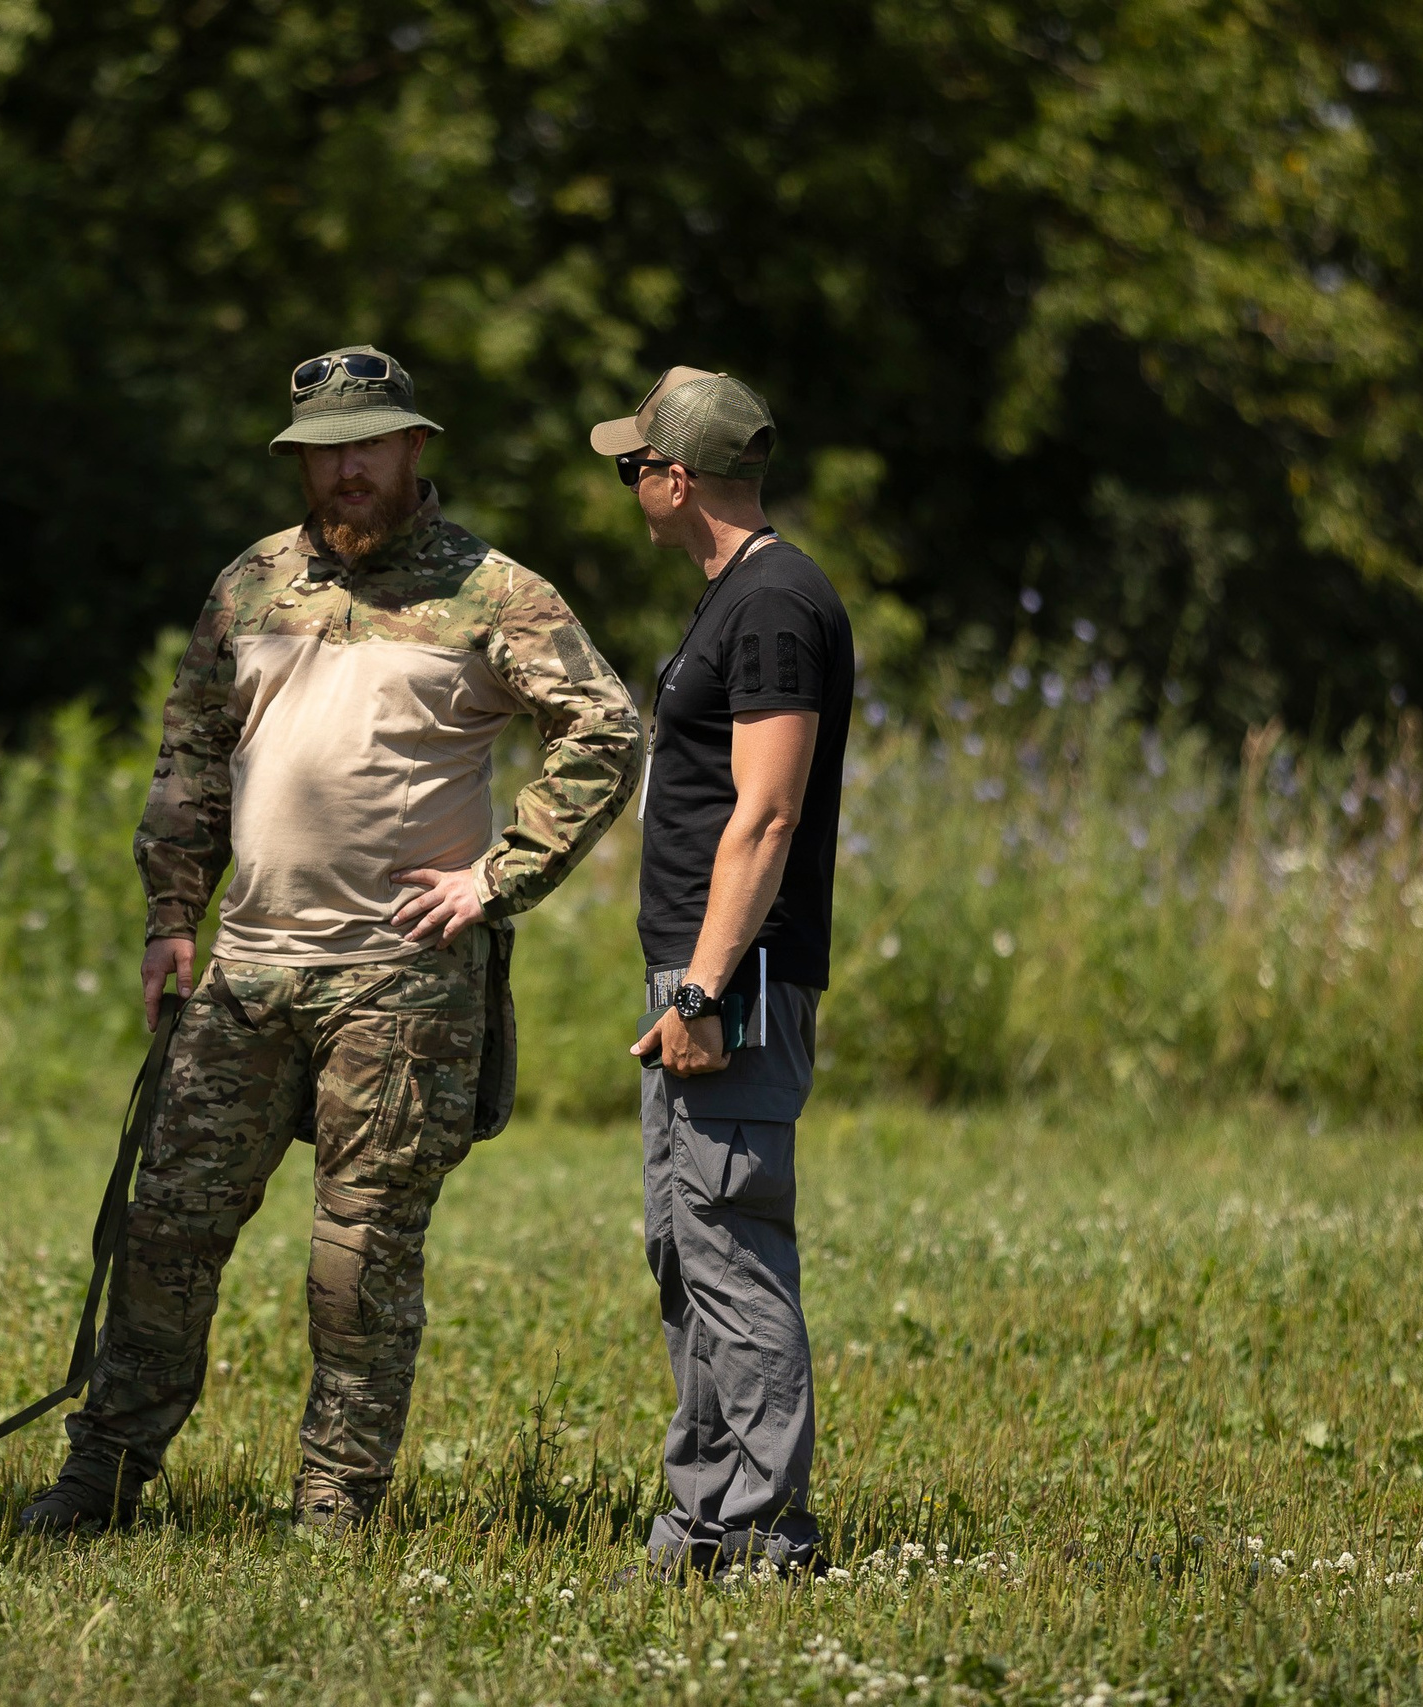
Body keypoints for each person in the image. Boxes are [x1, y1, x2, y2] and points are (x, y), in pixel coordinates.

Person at [20, 345, 641, 1534]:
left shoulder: (494, 591)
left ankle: (335, 1503)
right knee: (165, 1232)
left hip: (401, 982)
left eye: (367, 447)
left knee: (359, 1258)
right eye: (323, 453)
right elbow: (192, 756)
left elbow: (605, 730)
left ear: (413, 446)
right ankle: (101, 1478)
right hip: (246, 971)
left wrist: (498, 877)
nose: (346, 471)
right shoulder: (251, 583)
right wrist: (170, 919)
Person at [601, 367, 854, 1575]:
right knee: (685, 1247)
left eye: (631, 466)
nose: (627, 487)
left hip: (731, 981)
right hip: (697, 974)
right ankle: (699, 1526)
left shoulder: (774, 604)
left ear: (675, 479)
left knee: (731, 1245)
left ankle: (764, 1533)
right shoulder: (736, 597)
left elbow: (767, 812)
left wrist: (703, 989)